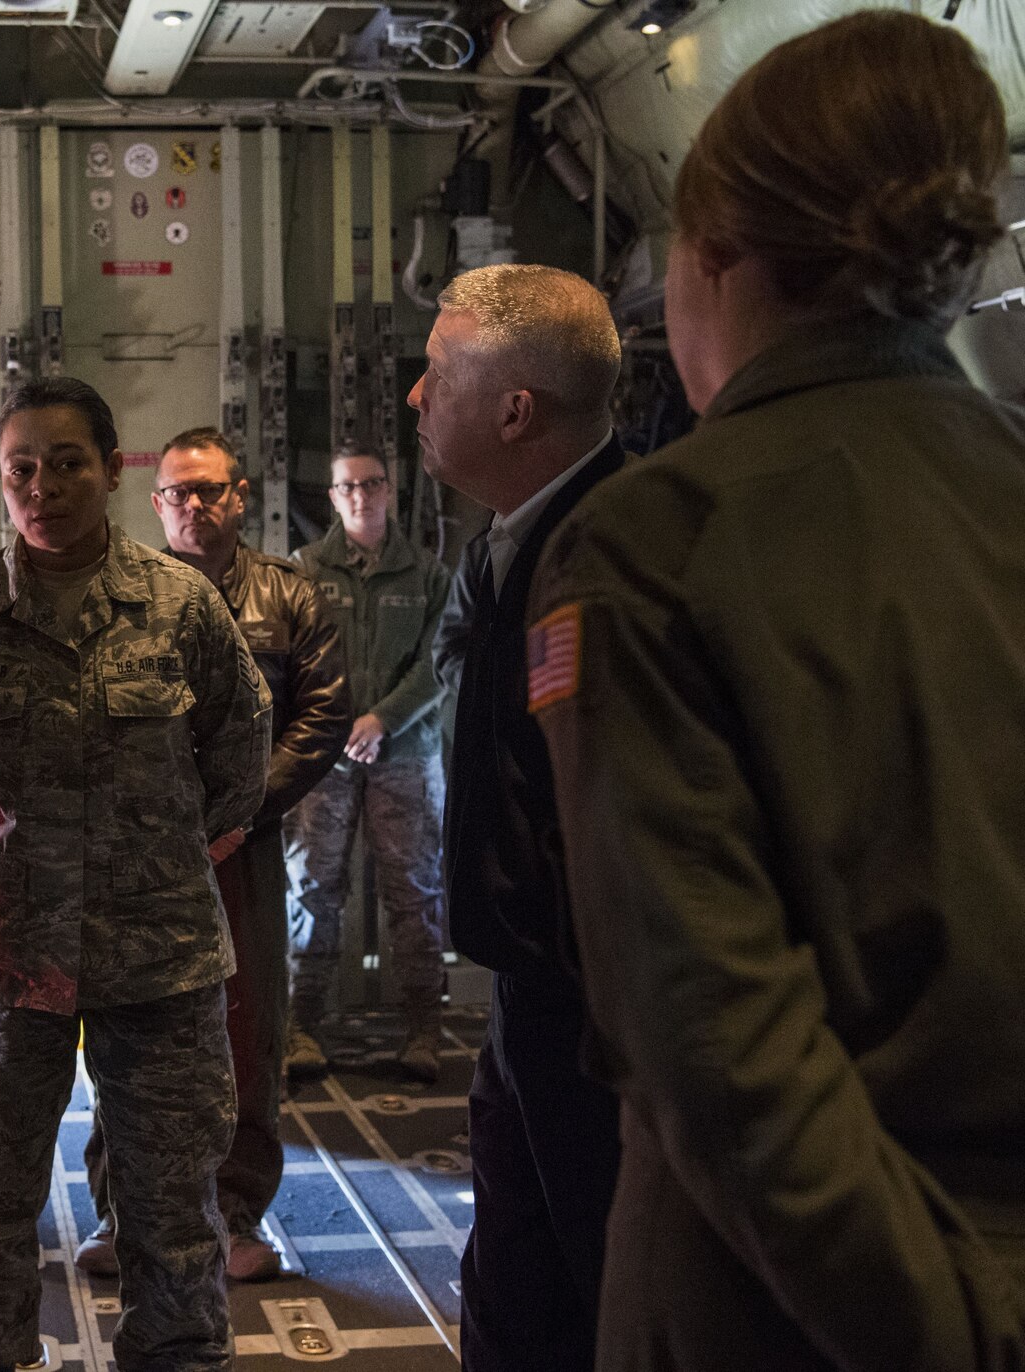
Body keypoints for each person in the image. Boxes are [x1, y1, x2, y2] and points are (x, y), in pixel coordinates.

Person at [530, 14, 1025, 1369]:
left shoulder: (654, 543)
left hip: (793, 1305)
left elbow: (717, 1048)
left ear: (715, 256)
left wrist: (953, 1332)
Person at [0, 378, 271, 1372]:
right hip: (0, 958)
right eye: (19, 468)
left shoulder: (180, 606)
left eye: (66, 462)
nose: (42, 486)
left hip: (156, 959)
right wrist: (5, 871)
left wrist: (154, 855)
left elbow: (238, 758)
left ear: (112, 472)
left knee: (172, 1211)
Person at [408, 262, 626, 1371]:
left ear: (512, 409)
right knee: (514, 1261)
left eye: (436, 373)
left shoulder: (613, 554)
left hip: (596, 1006)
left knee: (589, 1269)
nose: (413, 396)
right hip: (528, 987)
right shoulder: (510, 540)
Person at [76, 426, 348, 1283]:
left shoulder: (293, 597)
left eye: (210, 490)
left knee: (246, 1030)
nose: (194, 505)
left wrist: (238, 811)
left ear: (240, 496)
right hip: (139, 854)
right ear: (155, 504)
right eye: (176, 493)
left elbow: (323, 717)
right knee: (131, 1026)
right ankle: (123, 1213)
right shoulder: (117, 594)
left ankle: (232, 1215)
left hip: (246, 848)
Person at [283, 446, 452, 1083]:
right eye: (347, 486)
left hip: (405, 756)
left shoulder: (427, 575)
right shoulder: (303, 570)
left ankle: (423, 1034)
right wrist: (334, 726)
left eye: (371, 483)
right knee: (311, 890)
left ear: (389, 488)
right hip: (326, 759)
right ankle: (302, 1028)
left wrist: (383, 719)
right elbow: (293, 661)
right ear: (331, 496)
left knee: (414, 894)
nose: (360, 495)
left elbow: (440, 660)